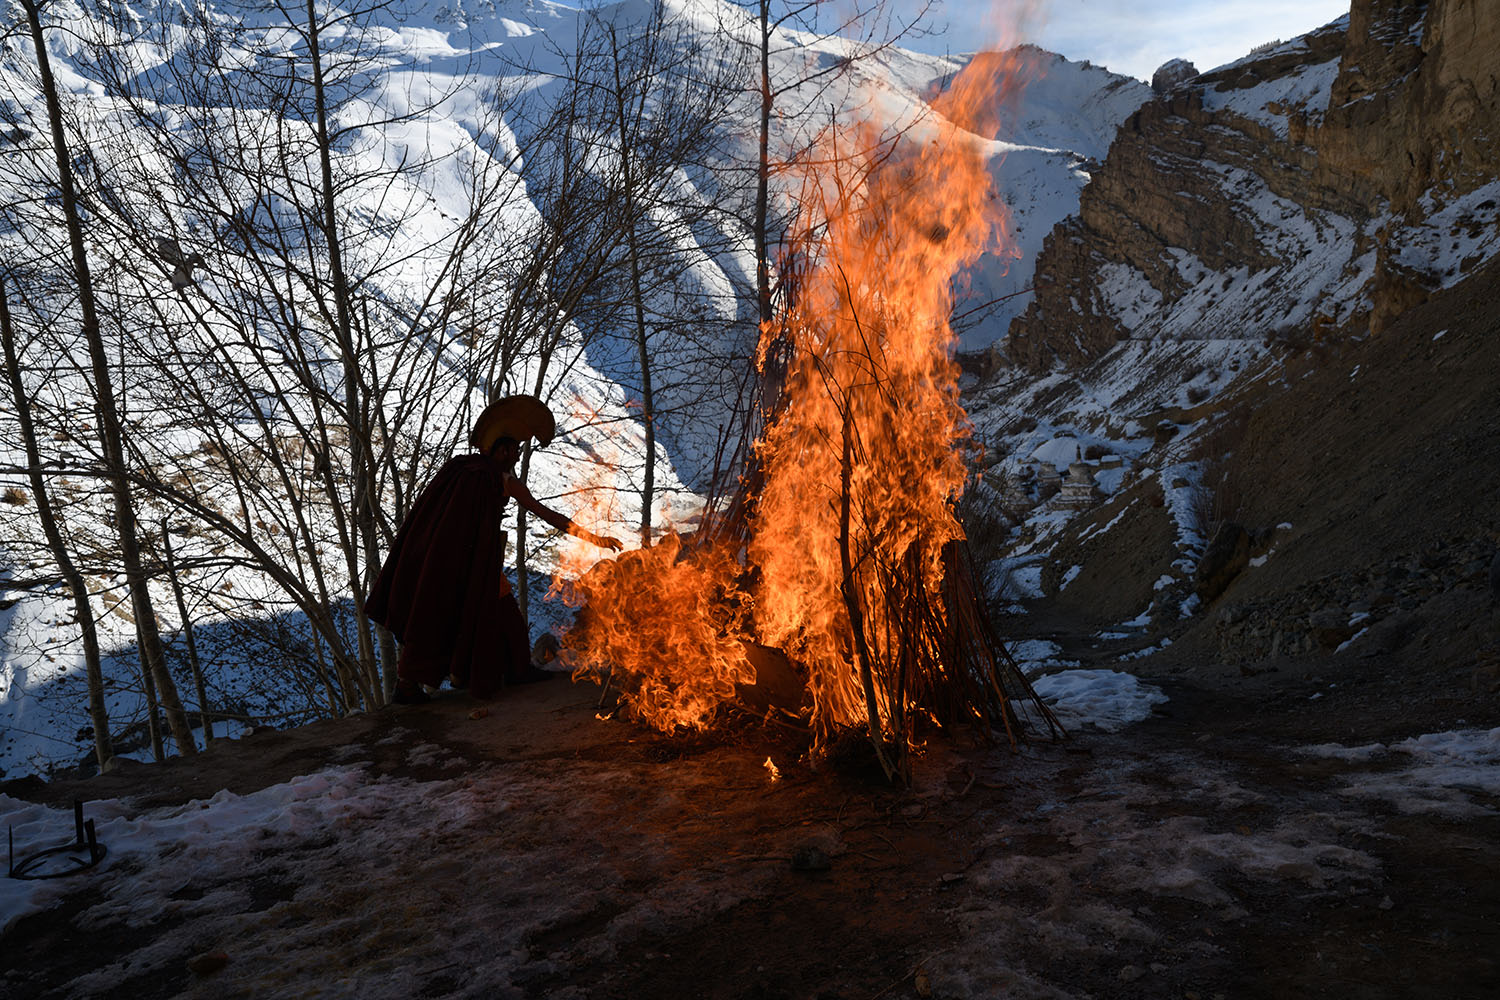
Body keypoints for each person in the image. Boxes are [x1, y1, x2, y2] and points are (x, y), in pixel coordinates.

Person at [365, 395, 623, 704]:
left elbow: (541, 514)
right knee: (434, 616)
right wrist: (594, 539)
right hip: (457, 564)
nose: (516, 457)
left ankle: (513, 670)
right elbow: (540, 514)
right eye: (514, 451)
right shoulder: (484, 476)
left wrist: (594, 538)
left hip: (450, 561)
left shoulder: (467, 470)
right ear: (501, 450)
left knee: (487, 612)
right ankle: (411, 687)